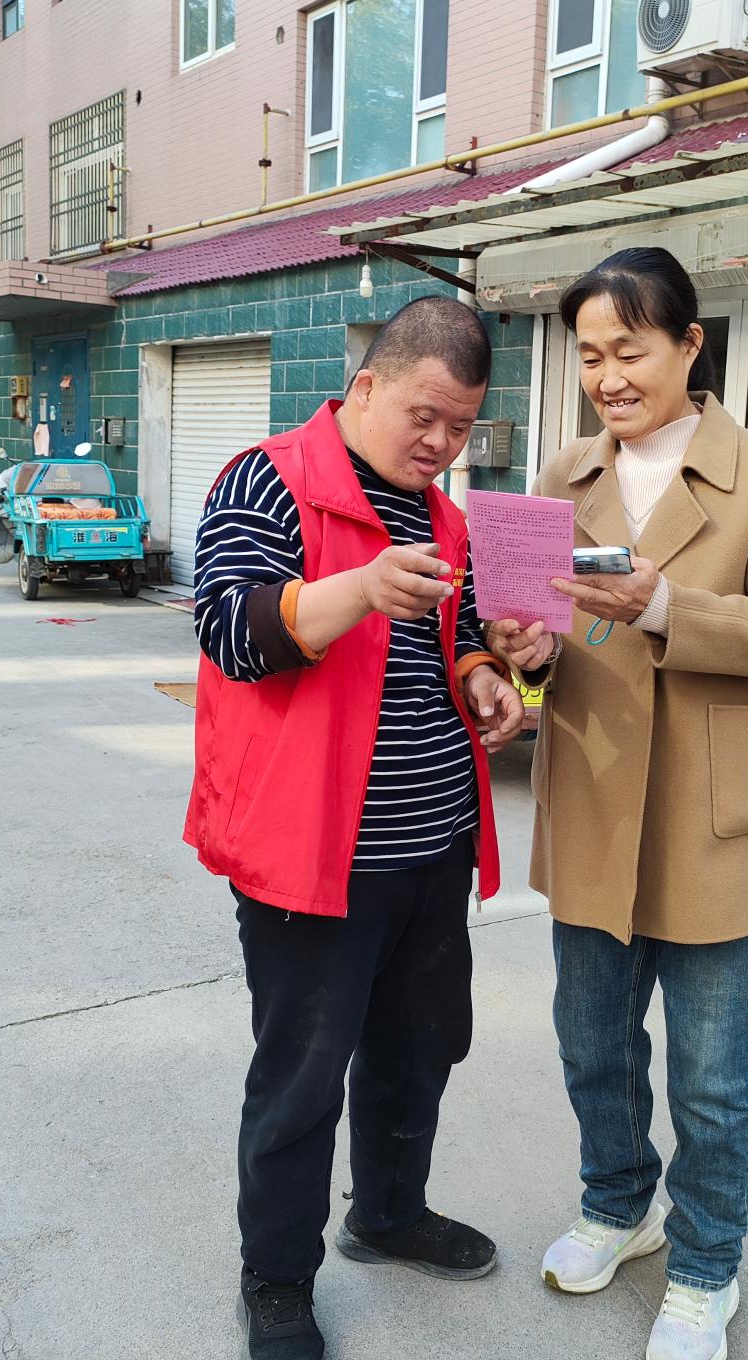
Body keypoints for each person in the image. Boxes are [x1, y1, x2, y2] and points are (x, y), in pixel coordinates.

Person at [490, 248, 748, 1360]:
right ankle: (617, 1204)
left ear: (689, 345)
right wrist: (526, 653)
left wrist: (663, 605)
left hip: (713, 817)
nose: (608, 377)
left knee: (715, 1078)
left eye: (629, 350)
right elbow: (540, 640)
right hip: (595, 799)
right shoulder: (562, 476)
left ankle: (705, 1266)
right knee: (593, 1047)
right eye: (590, 356)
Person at [187, 296, 527, 1360]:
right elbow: (230, 630)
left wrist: (486, 676)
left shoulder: (447, 517)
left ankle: (388, 1211)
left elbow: (457, 638)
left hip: (431, 847)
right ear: (366, 386)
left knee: (418, 1051)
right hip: (311, 856)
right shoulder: (267, 480)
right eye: (425, 415)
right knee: (300, 1079)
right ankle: (277, 1278)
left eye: (461, 426)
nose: (440, 443)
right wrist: (359, 589)